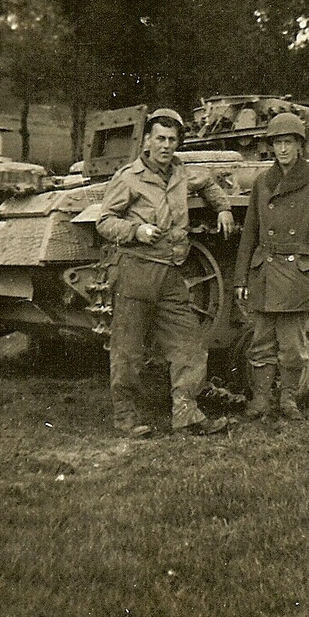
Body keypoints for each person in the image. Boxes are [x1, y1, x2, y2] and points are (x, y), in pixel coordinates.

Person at [97, 108, 236, 437]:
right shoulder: (128, 177)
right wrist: (136, 231)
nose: (166, 145)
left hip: (171, 274)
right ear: (147, 140)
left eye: (172, 140)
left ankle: (186, 414)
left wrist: (224, 208)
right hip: (136, 270)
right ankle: (126, 419)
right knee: (127, 350)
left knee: (189, 345)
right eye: (160, 138)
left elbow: (209, 184)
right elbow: (104, 221)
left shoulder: (181, 173)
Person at [233, 112, 309, 421]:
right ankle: (260, 399)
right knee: (261, 342)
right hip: (265, 272)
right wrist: (240, 278)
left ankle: (288, 399)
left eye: (289, 143)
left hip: (298, 276)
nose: (283, 149)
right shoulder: (262, 183)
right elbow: (250, 234)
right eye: (278, 143)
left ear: (299, 146)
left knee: (293, 346)